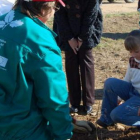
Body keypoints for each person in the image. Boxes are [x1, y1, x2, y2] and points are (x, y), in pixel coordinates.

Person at [0, 0, 74, 139]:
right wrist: (63, 133)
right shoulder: (41, 41)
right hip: (22, 129)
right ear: (46, 8)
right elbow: (54, 99)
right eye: (56, 7)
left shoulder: (3, 21)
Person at [53, 0, 103, 114]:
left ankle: (88, 103)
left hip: (87, 31)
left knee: (86, 62)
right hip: (67, 30)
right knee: (71, 64)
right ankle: (74, 102)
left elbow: (90, 16)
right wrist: (69, 38)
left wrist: (82, 38)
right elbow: (59, 14)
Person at [96, 30, 140, 128]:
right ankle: (106, 119)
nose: (133, 54)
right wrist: (119, 97)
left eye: (136, 51)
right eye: (130, 51)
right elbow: (127, 79)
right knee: (110, 82)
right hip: (133, 91)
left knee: (116, 114)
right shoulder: (133, 60)